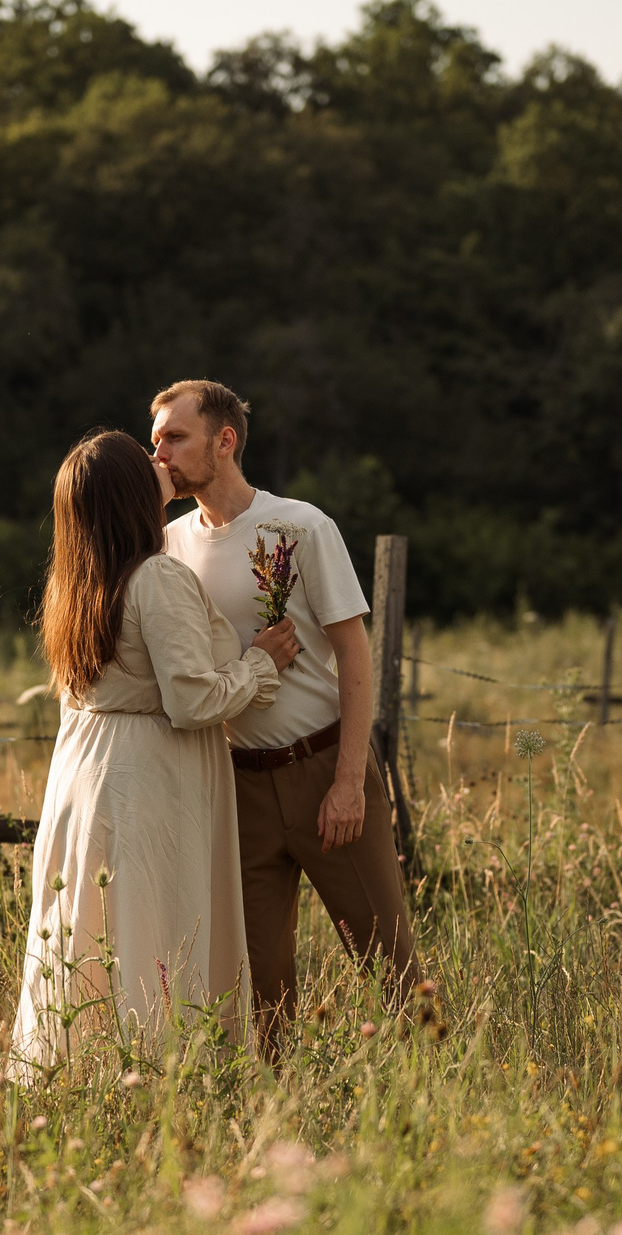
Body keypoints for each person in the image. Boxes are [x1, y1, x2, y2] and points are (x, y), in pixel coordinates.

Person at [9, 429, 303, 1076]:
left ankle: (84, 1076)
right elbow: (192, 701)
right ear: (129, 494)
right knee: (154, 925)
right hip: (146, 773)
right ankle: (160, 1078)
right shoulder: (157, 576)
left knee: (94, 926)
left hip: (84, 772)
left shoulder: (74, 583)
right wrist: (259, 664)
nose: (160, 462)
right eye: (146, 464)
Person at [150, 380, 422, 1056]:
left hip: (324, 766)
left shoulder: (300, 527)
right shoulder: (167, 543)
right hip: (235, 787)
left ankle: (440, 1099)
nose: (159, 453)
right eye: (154, 439)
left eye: (174, 438)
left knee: (389, 962)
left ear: (224, 440)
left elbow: (354, 654)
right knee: (259, 982)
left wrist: (351, 781)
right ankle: (280, 1120)